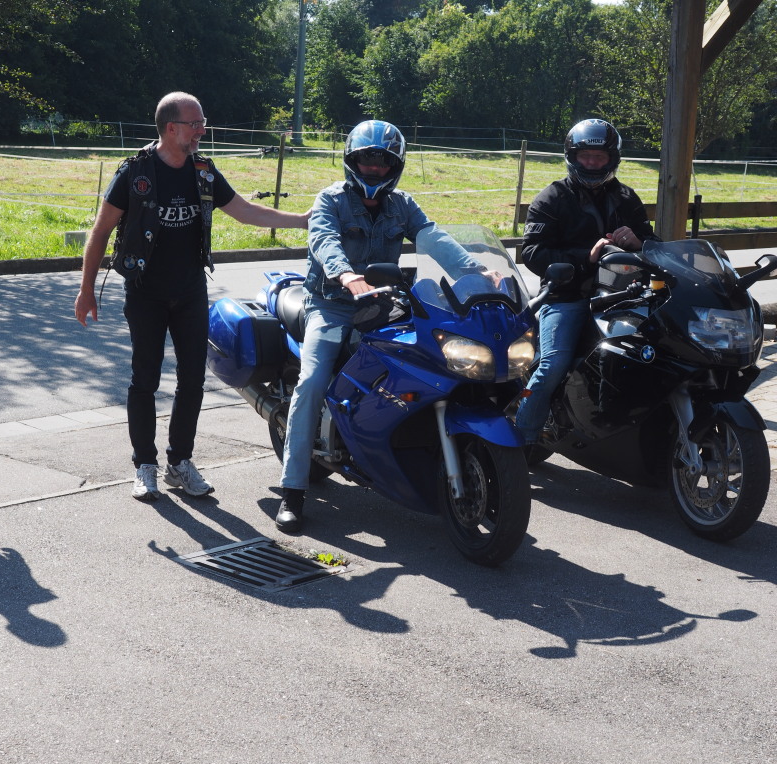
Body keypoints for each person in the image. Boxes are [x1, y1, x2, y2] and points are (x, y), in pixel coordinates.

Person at [74, 92, 309, 502]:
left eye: (202, 122)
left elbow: (246, 211)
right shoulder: (135, 172)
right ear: (171, 128)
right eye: (195, 123)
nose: (202, 130)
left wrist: (303, 220)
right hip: (145, 293)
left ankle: (180, 462)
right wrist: (86, 289)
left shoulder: (203, 171)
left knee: (192, 382)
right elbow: (100, 230)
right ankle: (144, 465)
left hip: (190, 292)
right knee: (144, 380)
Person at [275, 119, 479, 533]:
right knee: (311, 381)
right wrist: (346, 274)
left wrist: (475, 272)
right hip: (331, 305)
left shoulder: (402, 204)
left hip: (383, 304)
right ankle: (293, 489)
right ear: (351, 161)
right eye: (366, 161)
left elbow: (433, 237)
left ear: (395, 166)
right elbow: (324, 240)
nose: (374, 169)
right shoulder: (331, 199)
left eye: (383, 162)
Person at [514, 118, 657, 444]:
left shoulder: (626, 198)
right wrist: (585, 257)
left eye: (599, 157)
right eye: (585, 156)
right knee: (553, 364)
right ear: (573, 157)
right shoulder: (552, 197)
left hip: (622, 297)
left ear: (611, 159)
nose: (592, 163)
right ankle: (519, 443)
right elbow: (533, 253)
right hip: (567, 296)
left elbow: (655, 244)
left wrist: (639, 242)